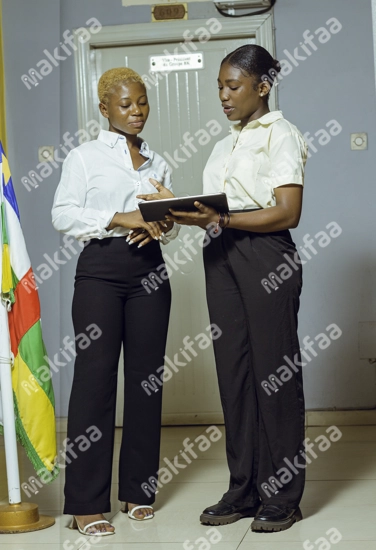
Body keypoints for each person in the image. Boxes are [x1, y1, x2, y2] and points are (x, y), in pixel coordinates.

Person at [137, 45, 308, 533]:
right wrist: (178, 208)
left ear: (263, 86)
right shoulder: (222, 146)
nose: (224, 96)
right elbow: (215, 213)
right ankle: (245, 488)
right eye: (218, 87)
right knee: (233, 374)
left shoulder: (283, 135)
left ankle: (284, 495)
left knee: (273, 374)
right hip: (221, 256)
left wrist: (223, 218)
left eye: (233, 86)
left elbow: (287, 212)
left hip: (266, 256)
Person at [51, 67, 179, 537]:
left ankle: (138, 491)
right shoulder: (83, 157)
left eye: (142, 102)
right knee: (94, 383)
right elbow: (62, 213)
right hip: (100, 272)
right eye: (126, 104)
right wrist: (121, 217)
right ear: (104, 109)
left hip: (150, 272)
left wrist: (168, 218)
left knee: (147, 382)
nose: (136, 111)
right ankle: (85, 502)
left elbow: (169, 221)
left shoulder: (157, 160)